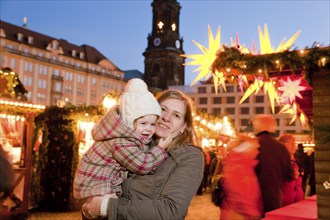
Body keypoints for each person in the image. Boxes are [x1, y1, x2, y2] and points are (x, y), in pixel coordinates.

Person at [82, 89, 204, 220]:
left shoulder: (190, 156)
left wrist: (106, 207)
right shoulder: (132, 144)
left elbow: (171, 210)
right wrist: (89, 211)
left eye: (176, 115)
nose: (166, 118)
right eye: (163, 109)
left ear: (183, 126)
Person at [73, 78, 172, 201]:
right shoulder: (120, 142)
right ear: (130, 122)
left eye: (152, 124)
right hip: (97, 186)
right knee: (108, 210)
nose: (149, 129)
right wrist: (160, 149)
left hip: (99, 184)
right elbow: (142, 165)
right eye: (143, 123)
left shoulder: (124, 137)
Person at [252, 114, 294, 216]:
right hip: (274, 197)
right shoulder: (280, 147)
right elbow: (289, 175)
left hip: (253, 198)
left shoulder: (251, 145)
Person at [220, 135, 263, 220]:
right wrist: (250, 212)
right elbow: (238, 194)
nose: (258, 152)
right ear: (248, 149)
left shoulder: (245, 165)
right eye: (256, 149)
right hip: (238, 215)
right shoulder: (238, 166)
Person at [278, 134, 304, 206]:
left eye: (294, 143)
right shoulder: (279, 160)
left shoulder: (296, 158)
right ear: (283, 145)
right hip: (285, 200)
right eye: (291, 144)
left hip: (298, 198)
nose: (294, 146)